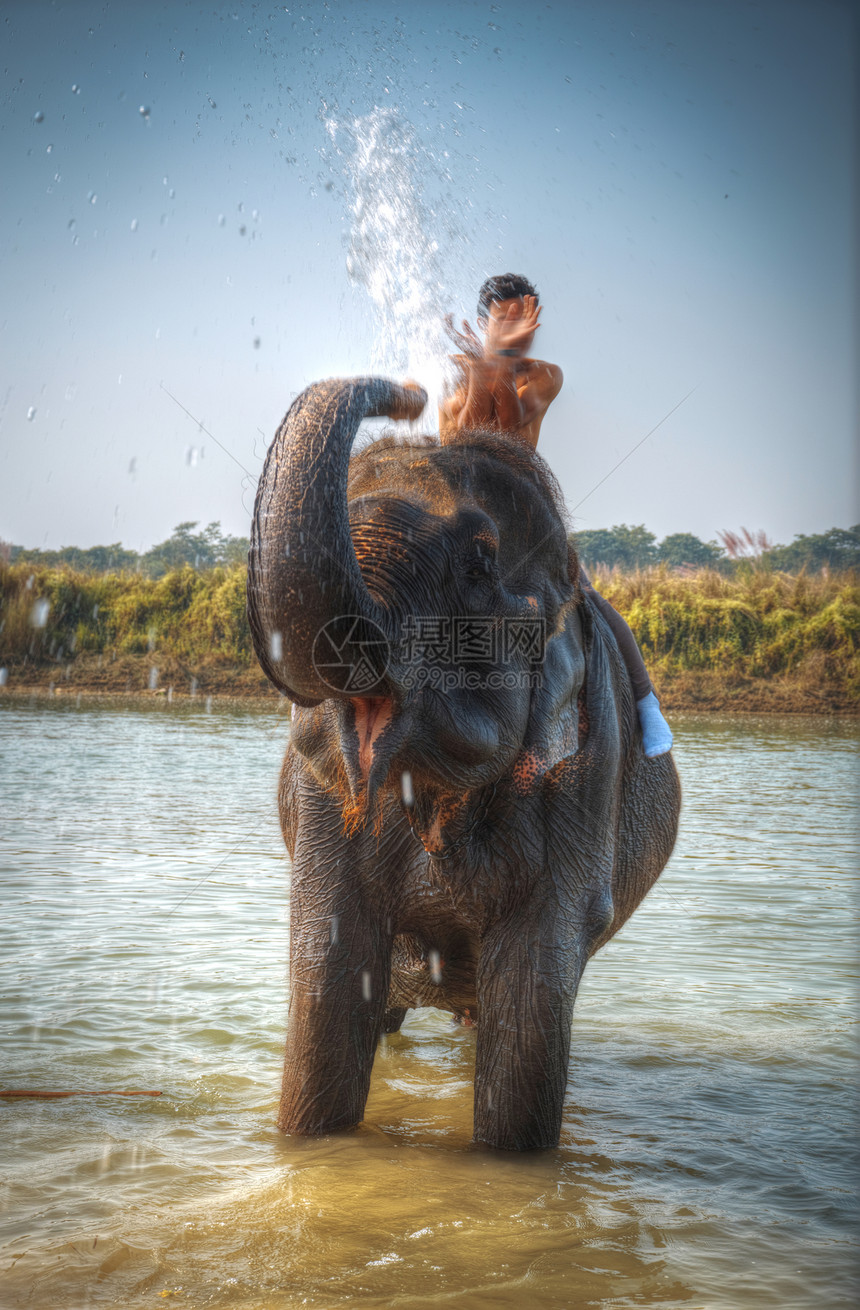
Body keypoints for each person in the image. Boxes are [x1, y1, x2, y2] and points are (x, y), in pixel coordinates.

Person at [439, 273, 673, 758]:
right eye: (504, 321)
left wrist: (496, 363)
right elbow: (464, 442)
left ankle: (647, 704)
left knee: (591, 600)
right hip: (462, 518)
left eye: (523, 321)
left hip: (527, 523)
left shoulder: (546, 375)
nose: (517, 331)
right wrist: (485, 367)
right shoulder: (455, 375)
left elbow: (509, 434)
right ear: (484, 322)